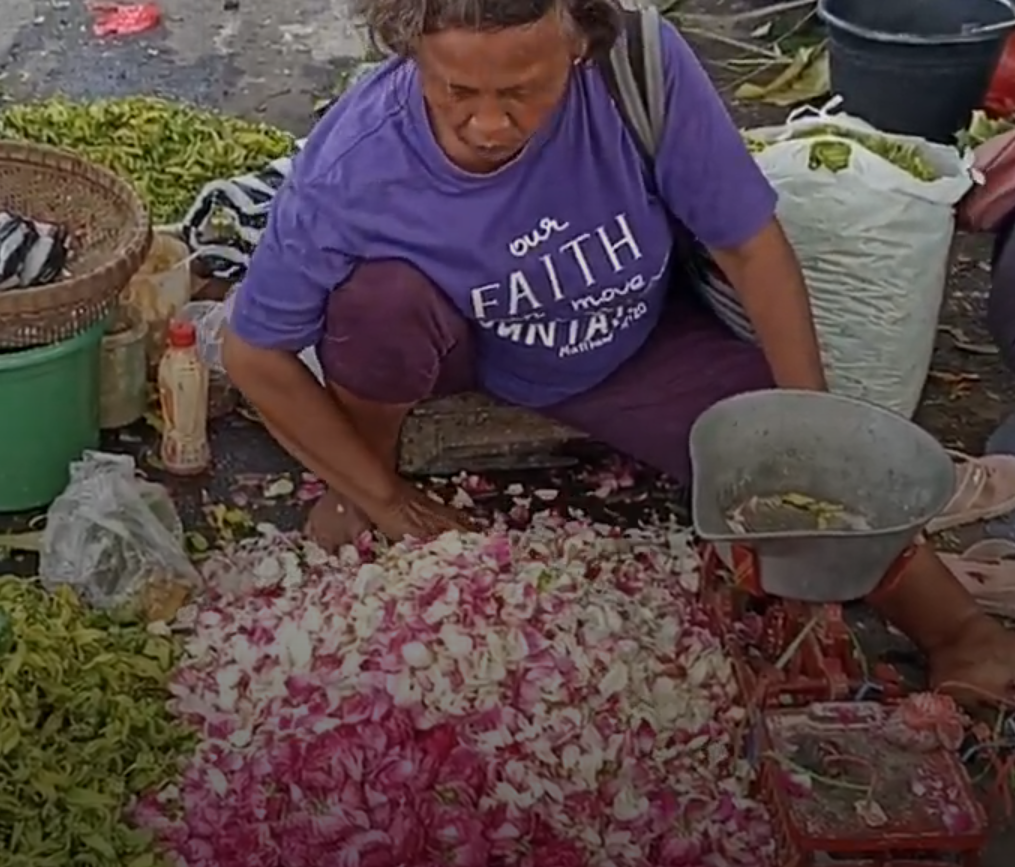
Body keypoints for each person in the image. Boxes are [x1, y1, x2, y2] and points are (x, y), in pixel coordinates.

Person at [219, 0, 1015, 701]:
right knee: (376, 304)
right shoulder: (356, 161)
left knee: (790, 468)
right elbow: (254, 351)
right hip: (461, 338)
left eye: (524, 90)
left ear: (577, 42)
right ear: (410, 51)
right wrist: (390, 502)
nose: (490, 125)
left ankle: (961, 636)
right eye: (456, 92)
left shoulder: (637, 64)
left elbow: (748, 246)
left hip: (627, 342)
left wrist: (809, 425)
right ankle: (367, 473)